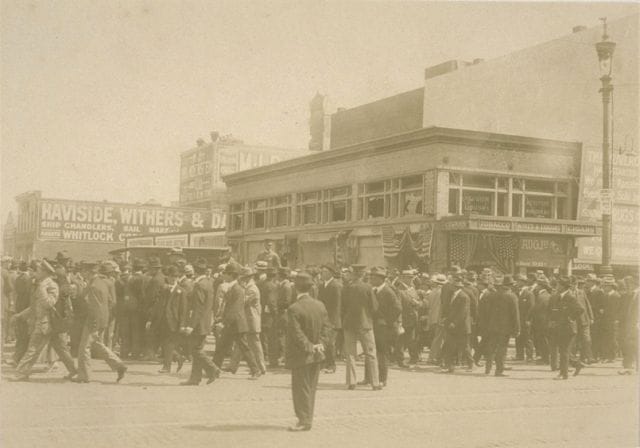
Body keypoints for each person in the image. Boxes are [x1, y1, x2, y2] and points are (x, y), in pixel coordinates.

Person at [12, 260, 77, 381]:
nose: (36, 273)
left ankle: (20, 373)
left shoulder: (51, 285)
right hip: (47, 324)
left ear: (45, 272)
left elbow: (48, 304)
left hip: (46, 324)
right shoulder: (42, 284)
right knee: (61, 350)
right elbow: (35, 306)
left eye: (38, 271)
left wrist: (42, 288)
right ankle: (74, 371)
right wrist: (20, 315)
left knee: (33, 349)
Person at [286, 271, 331, 432]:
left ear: (296, 288)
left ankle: (304, 420)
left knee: (300, 388)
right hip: (318, 353)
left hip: (302, 354)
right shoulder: (320, 305)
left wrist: (309, 346)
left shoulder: (294, 308)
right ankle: (307, 418)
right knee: (311, 387)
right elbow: (327, 328)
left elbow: (296, 334)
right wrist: (320, 344)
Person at [73, 261, 127, 383]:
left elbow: (88, 301)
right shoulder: (105, 282)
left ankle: (84, 375)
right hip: (103, 318)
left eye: (83, 272)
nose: (82, 274)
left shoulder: (93, 285)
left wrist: (94, 319)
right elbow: (111, 302)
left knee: (84, 347)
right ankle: (119, 365)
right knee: (97, 344)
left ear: (88, 272)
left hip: (93, 318)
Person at [213, 262, 262, 380]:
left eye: (225, 274)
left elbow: (234, 309)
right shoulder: (234, 287)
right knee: (221, 347)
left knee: (243, 347)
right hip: (233, 323)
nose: (223, 276)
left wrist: (223, 322)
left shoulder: (237, 289)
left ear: (231, 275)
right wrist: (222, 319)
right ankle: (213, 369)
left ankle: (256, 370)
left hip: (236, 324)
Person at [181, 258, 220, 385]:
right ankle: (195, 378)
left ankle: (212, 368)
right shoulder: (209, 282)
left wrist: (191, 325)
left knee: (195, 349)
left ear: (196, 272)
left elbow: (198, 307)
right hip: (206, 320)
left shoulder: (199, 285)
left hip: (198, 322)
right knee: (198, 348)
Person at [341, 264, 380, 390]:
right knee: (371, 353)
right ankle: (375, 382)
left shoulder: (347, 287)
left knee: (350, 353)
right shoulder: (368, 288)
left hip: (349, 323)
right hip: (365, 323)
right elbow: (374, 307)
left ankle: (351, 381)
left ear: (353, 274)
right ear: (363, 274)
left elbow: (342, 307)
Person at [226, 266, 267, 374]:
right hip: (247, 320)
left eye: (244, 277)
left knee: (255, 346)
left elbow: (243, 301)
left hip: (252, 320)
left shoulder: (252, 288)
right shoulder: (247, 287)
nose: (241, 279)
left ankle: (262, 367)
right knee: (241, 344)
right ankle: (232, 366)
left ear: (248, 277)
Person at [368, 267, 401, 387]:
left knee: (382, 354)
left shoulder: (388, 291)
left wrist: (387, 321)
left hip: (385, 329)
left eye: (374, 277)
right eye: (371, 276)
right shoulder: (373, 290)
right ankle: (369, 377)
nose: (371, 279)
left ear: (381, 279)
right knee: (371, 352)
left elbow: (397, 309)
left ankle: (382, 379)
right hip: (374, 326)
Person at [152, 265, 188, 373]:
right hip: (162, 320)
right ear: (167, 277)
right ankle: (178, 357)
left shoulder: (181, 291)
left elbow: (183, 310)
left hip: (174, 321)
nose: (173, 278)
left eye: (176, 276)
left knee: (169, 343)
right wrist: (152, 319)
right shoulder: (164, 289)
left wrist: (182, 324)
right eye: (171, 276)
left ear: (178, 277)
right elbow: (158, 305)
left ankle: (166, 367)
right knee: (164, 342)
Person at [547, 277, 584, 380]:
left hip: (568, 329)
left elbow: (580, 309)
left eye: (559, 285)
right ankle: (577, 364)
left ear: (563, 287)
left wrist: (571, 318)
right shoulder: (558, 296)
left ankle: (564, 374)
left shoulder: (570, 297)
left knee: (564, 351)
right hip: (559, 328)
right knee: (563, 351)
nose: (557, 287)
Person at [484, 275, 520, 377]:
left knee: (491, 347)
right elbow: (515, 314)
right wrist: (517, 329)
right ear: (511, 285)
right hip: (505, 327)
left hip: (492, 326)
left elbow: (487, 312)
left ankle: (488, 367)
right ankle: (499, 370)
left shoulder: (492, 295)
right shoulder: (512, 296)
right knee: (502, 348)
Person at [441, 275, 472, 373]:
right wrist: (445, 318)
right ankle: (450, 366)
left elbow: (463, 312)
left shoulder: (464, 297)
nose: (451, 287)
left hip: (461, 326)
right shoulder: (452, 295)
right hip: (451, 325)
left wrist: (454, 322)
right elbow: (448, 309)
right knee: (449, 345)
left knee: (464, 346)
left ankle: (471, 364)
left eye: (453, 286)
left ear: (457, 287)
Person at [317, 263, 342, 373]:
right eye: (322, 272)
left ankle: (331, 365)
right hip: (323, 319)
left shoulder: (335, 285)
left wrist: (331, 321)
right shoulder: (322, 285)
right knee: (324, 342)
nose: (322, 274)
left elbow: (337, 306)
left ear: (331, 273)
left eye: (325, 272)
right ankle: (324, 363)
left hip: (332, 320)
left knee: (331, 343)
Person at [12, 262, 33, 365]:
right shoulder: (28, 280)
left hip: (19, 307)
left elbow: (16, 292)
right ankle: (19, 359)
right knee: (25, 336)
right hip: (26, 309)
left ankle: (16, 357)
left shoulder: (18, 278)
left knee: (20, 335)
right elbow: (29, 296)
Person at [426, 274, 446, 365]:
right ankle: (433, 358)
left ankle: (434, 357)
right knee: (439, 339)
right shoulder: (442, 292)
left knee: (437, 338)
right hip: (440, 318)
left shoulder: (432, 292)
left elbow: (428, 305)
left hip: (432, 317)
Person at [515, 274, 535, 362]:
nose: (517, 282)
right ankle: (519, 355)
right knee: (518, 337)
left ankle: (529, 355)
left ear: (523, 282)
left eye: (519, 281)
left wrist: (528, 319)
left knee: (527, 338)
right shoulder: (516, 292)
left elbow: (531, 307)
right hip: (518, 319)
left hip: (526, 320)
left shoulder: (529, 293)